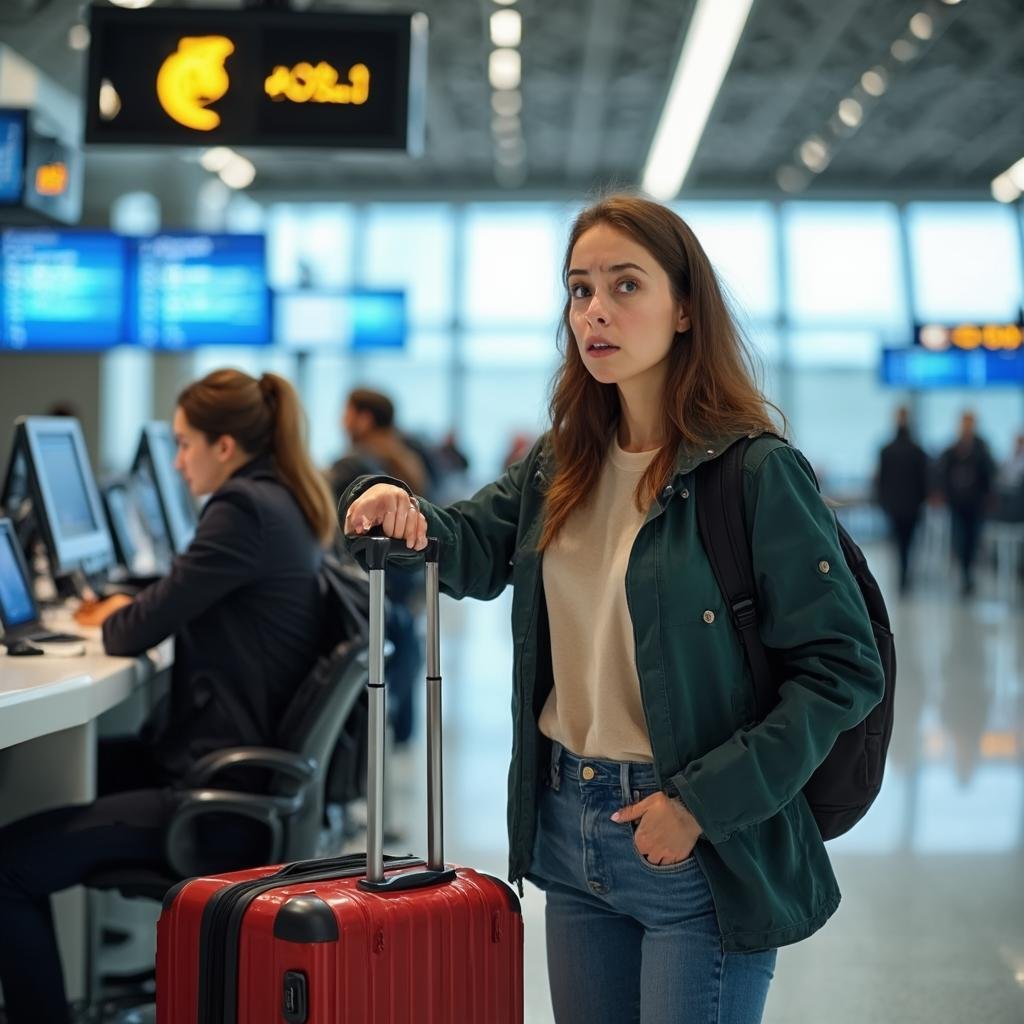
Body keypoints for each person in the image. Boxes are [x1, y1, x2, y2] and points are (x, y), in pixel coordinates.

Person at [339, 195, 885, 1024]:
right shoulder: (562, 460)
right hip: (567, 828)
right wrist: (382, 495)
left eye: (625, 286)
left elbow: (843, 668)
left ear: (684, 309)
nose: (595, 311)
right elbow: (465, 545)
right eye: (579, 289)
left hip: (696, 843)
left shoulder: (755, 472)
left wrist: (699, 804)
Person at [0, 369, 335, 1024]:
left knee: (7, 869)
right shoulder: (280, 501)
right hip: (248, 775)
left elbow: (131, 631)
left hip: (217, 797)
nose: (178, 462)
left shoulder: (241, 511)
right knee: (73, 777)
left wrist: (120, 608)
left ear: (226, 447)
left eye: (185, 445)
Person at [937, 411, 996, 596]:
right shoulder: (952, 449)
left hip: (976, 504)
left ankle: (969, 573)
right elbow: (942, 472)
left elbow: (989, 474)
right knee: (960, 539)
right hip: (957, 504)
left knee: (973, 540)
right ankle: (964, 573)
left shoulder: (981, 448)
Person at [876, 406, 930, 594]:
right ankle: (905, 573)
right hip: (913, 505)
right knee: (908, 542)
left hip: (894, 505)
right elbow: (925, 481)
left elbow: (881, 480)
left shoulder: (887, 450)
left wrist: (882, 501)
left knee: (898, 542)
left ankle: (902, 574)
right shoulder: (918, 451)